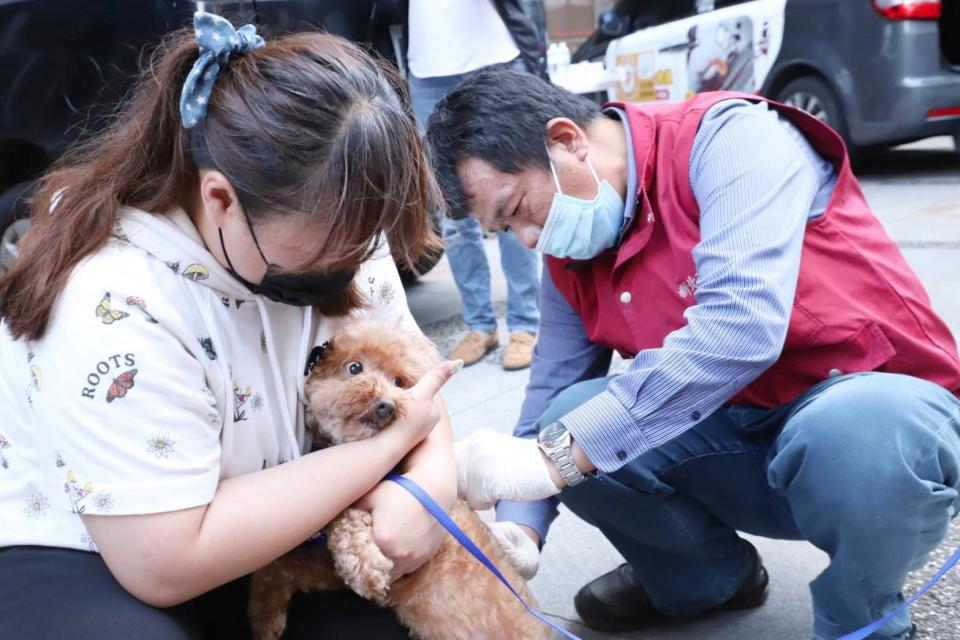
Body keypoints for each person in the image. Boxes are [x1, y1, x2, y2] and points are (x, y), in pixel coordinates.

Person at [427, 68, 960, 640]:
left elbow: (742, 325)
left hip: (875, 437)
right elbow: (546, 404)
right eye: (503, 229)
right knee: (568, 415)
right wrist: (519, 532)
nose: (528, 238)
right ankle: (707, 581)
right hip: (742, 438)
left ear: (566, 141)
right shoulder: (569, 253)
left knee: (858, 430)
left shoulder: (733, 139)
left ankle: (863, 619)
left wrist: (555, 457)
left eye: (516, 208)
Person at [0, 13, 462, 639]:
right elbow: (162, 562)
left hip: (283, 518)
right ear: (219, 198)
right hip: (95, 544)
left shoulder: (342, 222)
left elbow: (418, 384)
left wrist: (429, 489)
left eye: (363, 242)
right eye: (324, 252)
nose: (349, 265)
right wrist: (386, 447)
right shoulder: (114, 297)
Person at [405, 0, 544, 370]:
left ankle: (525, 324)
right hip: (426, 67)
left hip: (493, 54)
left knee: (512, 196)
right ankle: (480, 325)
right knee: (452, 213)